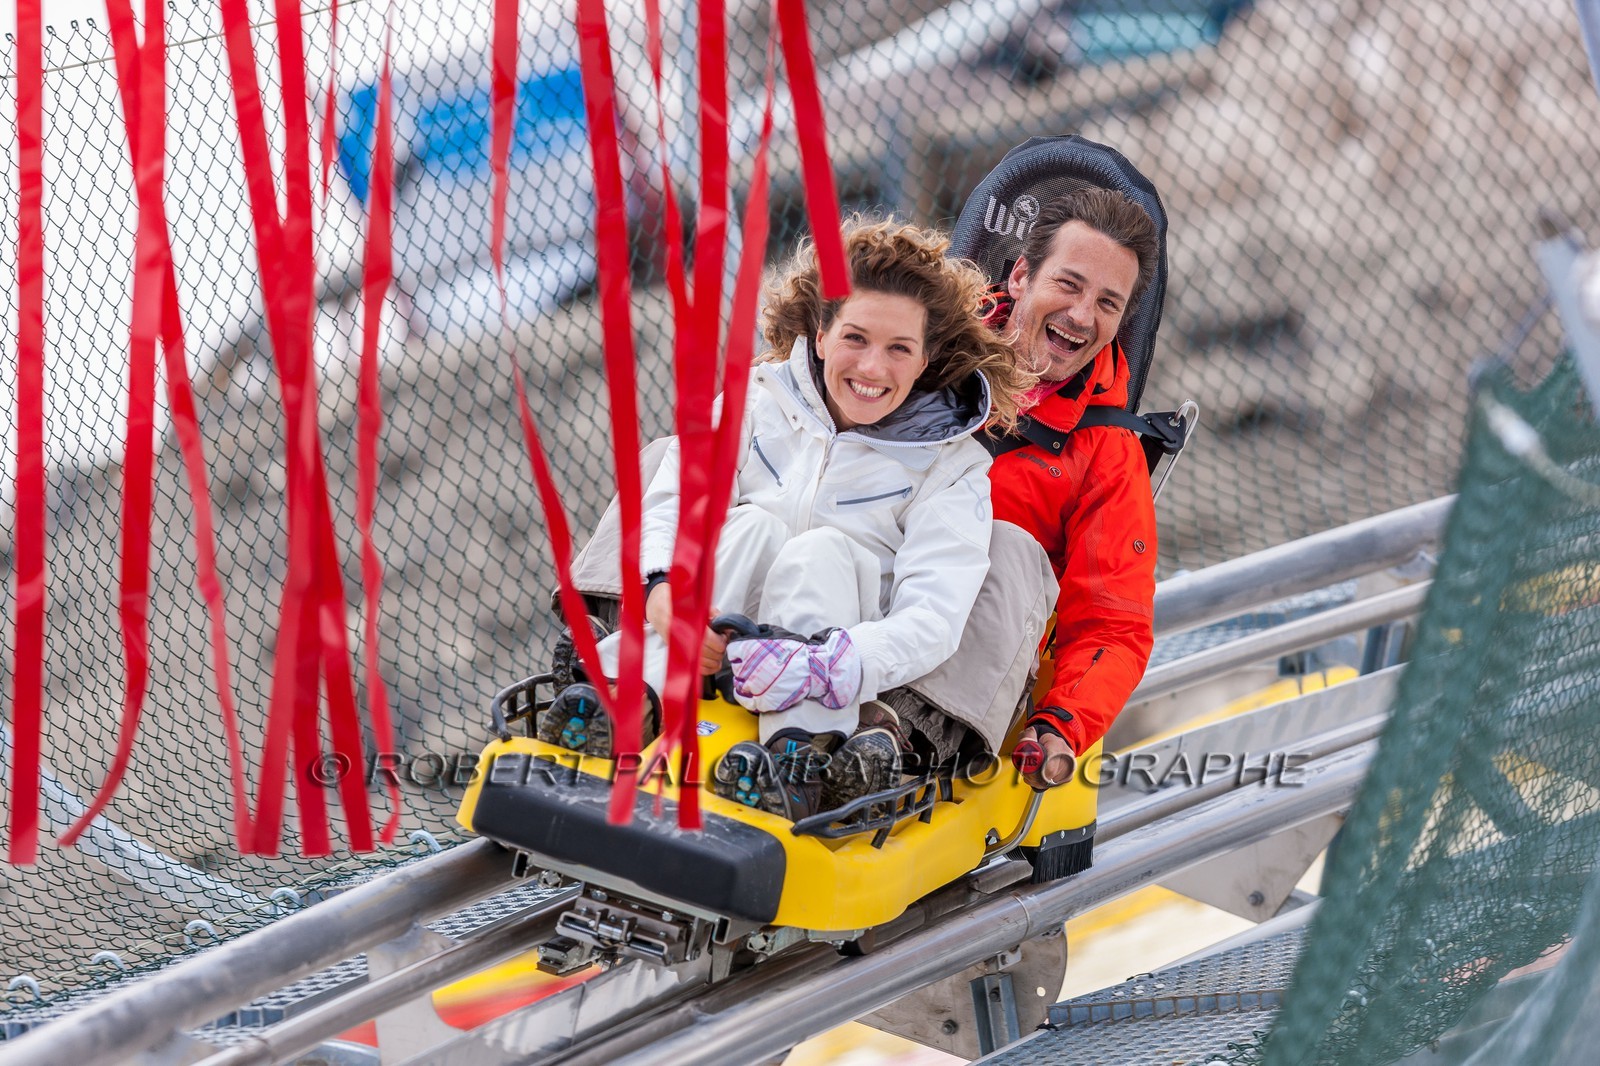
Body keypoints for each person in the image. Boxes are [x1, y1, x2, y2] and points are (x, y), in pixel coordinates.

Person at [538, 218, 1034, 821]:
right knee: (751, 526)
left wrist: (831, 666)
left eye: (898, 348)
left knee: (820, 549)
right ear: (821, 334)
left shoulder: (951, 468)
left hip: (824, 667)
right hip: (710, 642)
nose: (873, 368)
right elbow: (677, 497)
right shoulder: (757, 399)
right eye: (856, 337)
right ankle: (625, 696)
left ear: (925, 358)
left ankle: (795, 757)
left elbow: (933, 615)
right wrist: (663, 589)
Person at [983, 187, 1163, 790]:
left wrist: (1062, 723)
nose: (1083, 316)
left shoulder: (1109, 453)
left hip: (965, 665)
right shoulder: (920, 350)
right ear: (1020, 277)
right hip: (848, 601)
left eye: (1107, 303)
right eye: (1069, 285)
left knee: (1007, 550)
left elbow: (1116, 625)